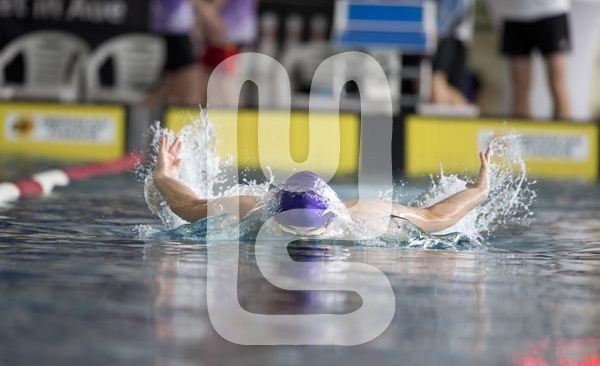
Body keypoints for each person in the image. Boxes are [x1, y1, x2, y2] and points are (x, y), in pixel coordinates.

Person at [152, 135, 492, 235]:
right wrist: (164, 177)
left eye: (309, 234)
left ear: (330, 222)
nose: (301, 242)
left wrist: (480, 191)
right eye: (291, 232)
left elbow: (433, 217)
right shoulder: (253, 210)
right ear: (274, 216)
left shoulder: (361, 219)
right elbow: (188, 206)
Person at [487, 0, 572, 119]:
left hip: (552, 10)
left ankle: (565, 130)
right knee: (519, 87)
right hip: (513, 13)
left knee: (557, 82)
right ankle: (521, 131)